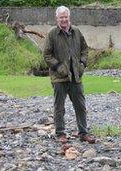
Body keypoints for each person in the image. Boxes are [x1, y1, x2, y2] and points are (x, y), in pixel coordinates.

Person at [43, 6, 95, 144]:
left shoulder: (76, 31)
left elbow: (85, 49)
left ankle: (83, 133)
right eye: (61, 17)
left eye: (66, 17)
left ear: (69, 17)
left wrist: (82, 64)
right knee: (59, 107)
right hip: (59, 78)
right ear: (57, 19)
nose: (64, 19)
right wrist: (58, 67)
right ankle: (60, 133)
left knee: (80, 106)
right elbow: (46, 55)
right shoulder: (52, 34)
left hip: (76, 77)